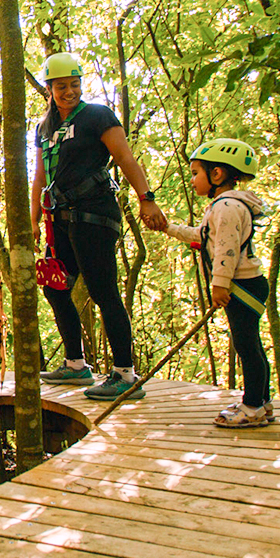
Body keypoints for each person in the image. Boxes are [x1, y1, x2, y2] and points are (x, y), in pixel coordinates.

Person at [32, 52, 168, 399]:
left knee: (102, 289)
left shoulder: (97, 116)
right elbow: (40, 176)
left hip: (94, 213)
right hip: (60, 218)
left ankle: (125, 373)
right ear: (49, 88)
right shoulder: (44, 128)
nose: (70, 92)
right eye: (62, 86)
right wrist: (31, 219)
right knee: (55, 288)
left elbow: (123, 156)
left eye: (75, 85)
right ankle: (75, 365)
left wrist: (146, 197)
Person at [163, 138, 274, 428]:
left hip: (241, 286)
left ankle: (252, 407)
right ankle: (261, 401)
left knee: (247, 345)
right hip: (247, 285)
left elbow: (226, 249)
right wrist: (168, 228)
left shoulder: (226, 207)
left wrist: (219, 284)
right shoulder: (224, 206)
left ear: (217, 174)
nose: (192, 180)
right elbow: (204, 236)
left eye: (196, 173)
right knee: (251, 344)